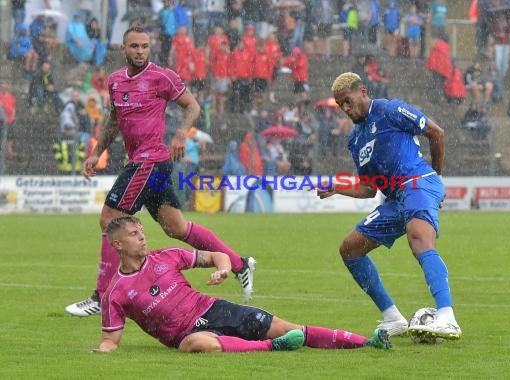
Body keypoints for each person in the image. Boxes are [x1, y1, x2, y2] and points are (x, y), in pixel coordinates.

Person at [65, 26, 256, 317]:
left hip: (150, 160)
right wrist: (96, 152)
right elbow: (114, 120)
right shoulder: (116, 81)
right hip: (146, 162)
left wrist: (181, 132)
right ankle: (240, 264)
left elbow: (191, 106)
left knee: (109, 218)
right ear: (124, 49)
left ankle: (102, 297)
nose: (140, 51)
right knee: (176, 227)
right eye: (134, 46)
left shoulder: (162, 76)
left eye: (144, 46)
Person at [93, 216, 392, 353]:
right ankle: (270, 348)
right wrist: (103, 350)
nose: (142, 236)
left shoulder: (167, 256)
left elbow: (217, 256)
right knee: (198, 344)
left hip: (213, 309)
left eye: (142, 230)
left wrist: (223, 270)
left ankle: (367, 342)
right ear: (118, 244)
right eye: (134, 234)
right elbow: (111, 340)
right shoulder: (115, 292)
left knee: (291, 328)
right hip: (184, 335)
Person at [315, 72, 462, 341]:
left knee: (419, 240)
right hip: (395, 198)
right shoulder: (355, 140)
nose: (346, 109)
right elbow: (370, 187)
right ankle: (393, 318)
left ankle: (447, 316)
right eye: (341, 105)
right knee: (350, 249)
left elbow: (436, 133)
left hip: (418, 182)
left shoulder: (390, 110)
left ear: (362, 90)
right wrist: (338, 188)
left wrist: (436, 178)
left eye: (348, 101)